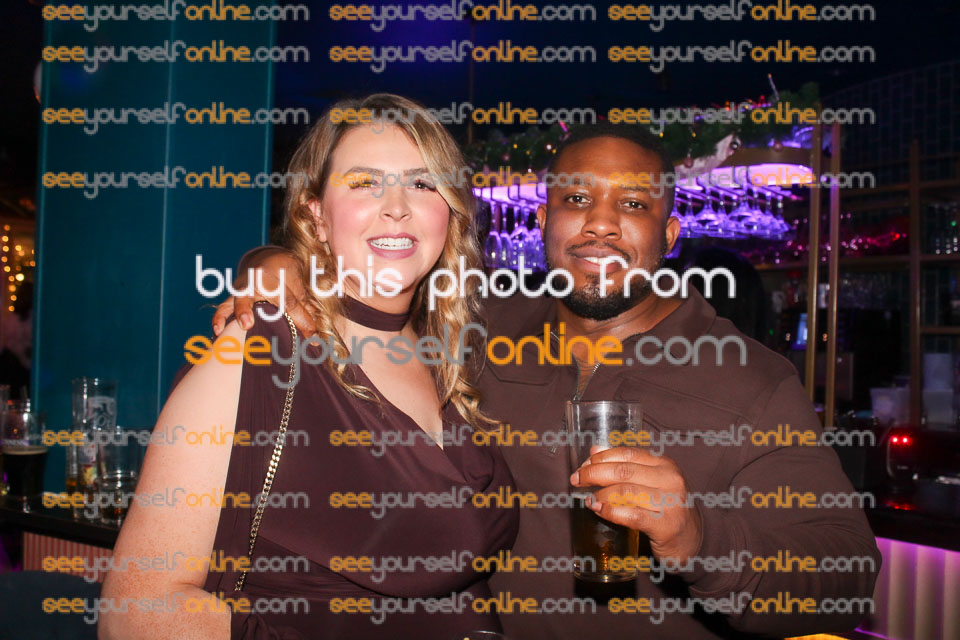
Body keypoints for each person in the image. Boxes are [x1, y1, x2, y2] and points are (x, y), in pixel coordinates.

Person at [215, 122, 882, 639]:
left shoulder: (753, 380)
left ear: (671, 233)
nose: (600, 222)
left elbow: (847, 575)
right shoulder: (472, 334)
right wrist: (278, 265)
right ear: (543, 221)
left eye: (633, 203)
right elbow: (367, 303)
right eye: (576, 199)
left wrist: (699, 539)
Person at [100, 94, 518, 640]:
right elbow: (133, 614)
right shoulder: (258, 353)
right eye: (364, 183)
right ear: (316, 216)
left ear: (452, 212)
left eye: (422, 183)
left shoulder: (453, 356)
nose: (396, 206)